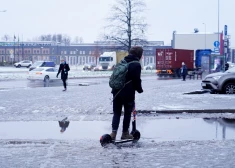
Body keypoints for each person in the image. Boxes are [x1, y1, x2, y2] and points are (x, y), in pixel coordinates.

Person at [110, 46, 143, 140]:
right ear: (139, 54)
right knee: (127, 113)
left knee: (116, 113)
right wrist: (139, 90)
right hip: (128, 92)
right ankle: (125, 133)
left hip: (116, 91)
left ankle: (113, 133)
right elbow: (137, 80)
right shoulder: (136, 64)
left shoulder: (122, 61)